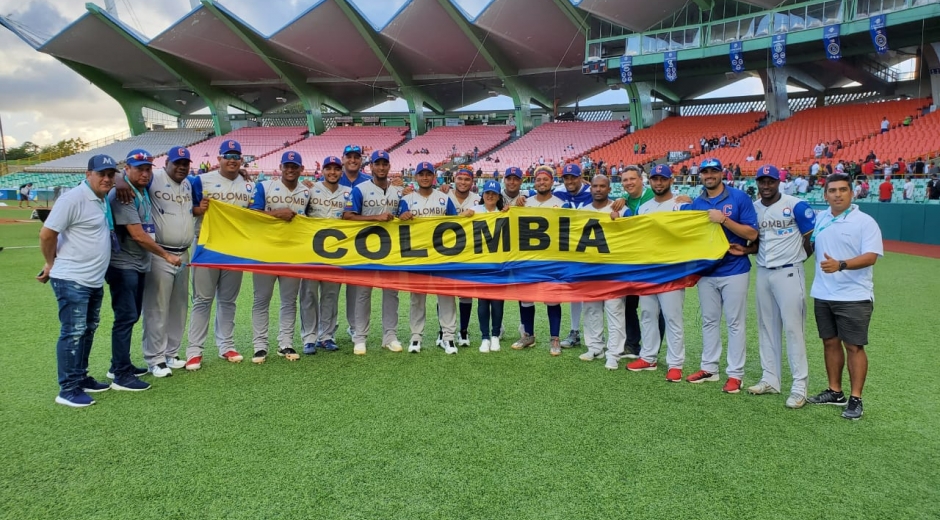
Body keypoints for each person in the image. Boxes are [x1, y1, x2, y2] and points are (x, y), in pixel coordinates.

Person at [38, 155, 117, 407]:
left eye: (110, 174)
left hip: (92, 279)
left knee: (88, 328)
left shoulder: (100, 198)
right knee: (72, 332)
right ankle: (68, 389)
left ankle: (80, 377)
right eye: (101, 174)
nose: (106, 179)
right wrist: (50, 263)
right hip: (72, 278)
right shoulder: (73, 198)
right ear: (88, 174)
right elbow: (47, 233)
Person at [734, 165, 815, 408]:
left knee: (793, 329)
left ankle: (799, 386)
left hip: (789, 271)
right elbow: (759, 242)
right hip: (764, 271)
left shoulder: (796, 204)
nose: (766, 186)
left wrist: (797, 260)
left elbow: (811, 238)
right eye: (762, 181)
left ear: (779, 182)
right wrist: (747, 250)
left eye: (770, 181)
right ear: (757, 183)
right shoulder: (755, 208)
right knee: (766, 327)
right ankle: (770, 379)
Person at [104, 148, 183, 391]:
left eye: (149, 168)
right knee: (126, 317)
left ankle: (119, 363)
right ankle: (120, 373)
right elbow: (138, 235)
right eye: (139, 168)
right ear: (126, 169)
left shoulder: (139, 190)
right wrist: (165, 254)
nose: (146, 173)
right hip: (123, 263)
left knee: (131, 315)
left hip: (137, 263)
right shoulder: (122, 194)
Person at [807, 173, 883, 420]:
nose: (837, 194)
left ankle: (856, 398)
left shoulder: (865, 222)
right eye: (832, 190)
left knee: (854, 346)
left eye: (842, 190)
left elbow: (871, 256)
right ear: (825, 194)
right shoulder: (821, 219)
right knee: (829, 342)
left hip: (854, 295)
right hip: (823, 292)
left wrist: (841, 265)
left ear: (852, 193)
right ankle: (835, 391)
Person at [684, 158, 758, 393]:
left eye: (713, 171)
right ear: (701, 176)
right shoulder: (697, 202)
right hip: (708, 271)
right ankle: (709, 368)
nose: (709, 175)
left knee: (735, 322)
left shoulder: (738, 198)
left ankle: (735, 374)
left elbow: (752, 233)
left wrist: (724, 219)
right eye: (705, 172)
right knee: (709, 320)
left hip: (734, 269)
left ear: (721, 173)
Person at [185, 140, 254, 370]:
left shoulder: (248, 184)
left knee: (228, 300)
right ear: (219, 159)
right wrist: (198, 210)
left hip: (234, 249)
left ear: (241, 160)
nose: (232, 160)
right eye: (228, 156)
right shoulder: (201, 180)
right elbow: (188, 209)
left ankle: (226, 346)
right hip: (207, 246)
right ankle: (194, 351)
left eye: (236, 156)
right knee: (203, 300)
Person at [624, 165, 687, 382]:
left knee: (672, 317)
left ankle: (675, 363)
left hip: (671, 269)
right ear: (649, 181)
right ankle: (648, 357)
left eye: (663, 179)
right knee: (648, 314)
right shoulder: (644, 208)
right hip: (648, 269)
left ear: (671, 180)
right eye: (655, 179)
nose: (658, 183)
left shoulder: (680, 205)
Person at [248, 151, 310, 364]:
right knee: (261, 299)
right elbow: (252, 215)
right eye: (287, 166)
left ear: (301, 169)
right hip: (265, 252)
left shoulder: (306, 191)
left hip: (293, 253)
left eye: (295, 166)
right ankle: (259, 346)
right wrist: (277, 214)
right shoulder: (264, 186)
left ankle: (286, 343)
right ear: (281, 167)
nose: (290, 170)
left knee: (289, 301)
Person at [140, 146, 195, 377]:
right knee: (157, 307)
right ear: (167, 163)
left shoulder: (188, 184)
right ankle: (155, 358)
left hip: (183, 253)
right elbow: (128, 179)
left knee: (179, 306)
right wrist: (122, 182)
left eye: (185, 163)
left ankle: (171, 353)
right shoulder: (153, 178)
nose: (181, 167)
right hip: (160, 252)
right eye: (177, 163)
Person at [342, 150, 403, 355]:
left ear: (389, 167)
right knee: (362, 294)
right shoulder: (360, 189)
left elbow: (402, 213)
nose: (382, 167)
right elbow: (348, 217)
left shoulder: (397, 191)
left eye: (385, 164)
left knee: (391, 293)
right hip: (364, 249)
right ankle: (360, 337)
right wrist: (375, 218)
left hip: (391, 249)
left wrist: (405, 214)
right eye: (378, 164)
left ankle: (390, 335)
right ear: (371, 167)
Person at [399, 161, 460, 354]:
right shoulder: (406, 200)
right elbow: (397, 225)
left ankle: (448, 337)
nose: (425, 177)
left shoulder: (444, 198)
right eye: (421, 174)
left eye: (428, 174)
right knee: (417, 298)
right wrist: (402, 216)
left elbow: (456, 225)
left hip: (442, 256)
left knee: (447, 296)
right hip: (417, 257)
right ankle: (416, 337)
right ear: (415, 177)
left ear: (434, 176)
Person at [300, 156, 351, 355]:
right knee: (308, 295)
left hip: (336, 252)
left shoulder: (348, 193)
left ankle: (327, 336)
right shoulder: (310, 191)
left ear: (341, 171)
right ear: (322, 171)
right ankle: (309, 338)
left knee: (330, 295)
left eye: (336, 169)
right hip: (311, 251)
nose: (332, 172)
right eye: (328, 169)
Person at [513, 166, 567, 355]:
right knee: (526, 298)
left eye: (545, 179)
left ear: (552, 182)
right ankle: (528, 335)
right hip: (528, 258)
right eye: (538, 180)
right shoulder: (524, 203)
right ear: (534, 182)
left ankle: (555, 339)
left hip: (551, 260)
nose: (541, 183)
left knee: (552, 300)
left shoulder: (561, 203)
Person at [576, 174, 625, 370]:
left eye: (602, 186)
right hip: (589, 270)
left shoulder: (621, 209)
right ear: (591, 189)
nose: (598, 189)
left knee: (614, 312)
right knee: (591, 310)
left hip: (613, 270)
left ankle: (614, 353)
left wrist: (620, 220)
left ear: (609, 189)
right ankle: (595, 347)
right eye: (595, 186)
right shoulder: (582, 211)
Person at [553, 163, 592, 350]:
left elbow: (610, 201)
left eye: (573, 177)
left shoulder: (593, 191)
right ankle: (575, 331)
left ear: (580, 176)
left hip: (590, 249)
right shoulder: (559, 192)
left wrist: (622, 200)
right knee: (575, 291)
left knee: (595, 293)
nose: (569, 181)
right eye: (566, 177)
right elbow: (534, 196)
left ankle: (594, 334)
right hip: (567, 250)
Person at [464, 180, 505, 353]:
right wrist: (463, 216)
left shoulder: (503, 213)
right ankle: (485, 337)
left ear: (498, 197)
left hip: (498, 263)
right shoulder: (475, 211)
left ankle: (495, 335)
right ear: (482, 195)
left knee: (497, 301)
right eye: (487, 193)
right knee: (482, 301)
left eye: (493, 194)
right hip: (479, 263)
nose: (490, 196)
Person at [446, 167, 481, 347]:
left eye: (467, 180)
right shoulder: (444, 196)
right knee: (445, 294)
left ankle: (464, 331)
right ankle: (443, 331)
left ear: (472, 182)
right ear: (454, 178)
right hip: (447, 251)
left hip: (469, 252)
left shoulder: (477, 200)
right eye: (460, 178)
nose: (463, 182)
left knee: (465, 294)